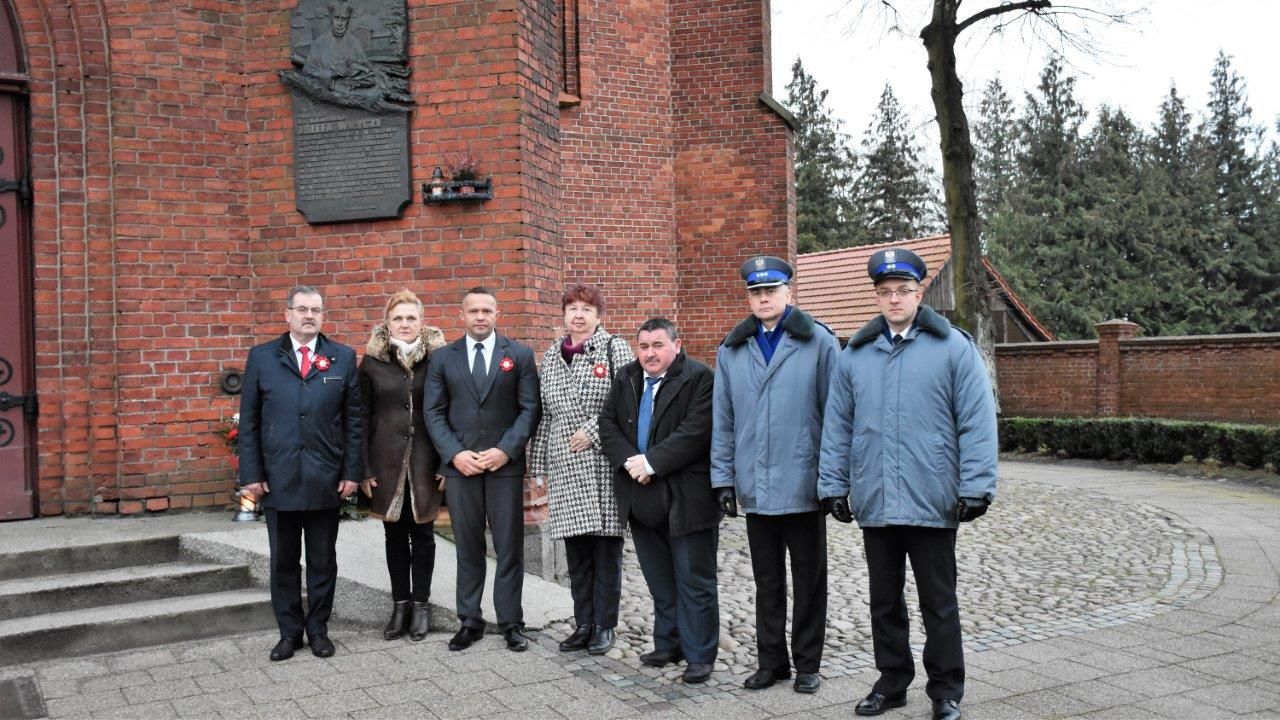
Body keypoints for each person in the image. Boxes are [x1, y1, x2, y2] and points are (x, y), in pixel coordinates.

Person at [817, 248, 998, 720]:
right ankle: (892, 681)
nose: (894, 299)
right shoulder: (854, 354)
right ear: (876, 296)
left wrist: (977, 485)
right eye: (885, 292)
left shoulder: (953, 347)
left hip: (932, 496)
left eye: (903, 291)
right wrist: (833, 484)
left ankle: (945, 690)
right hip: (875, 497)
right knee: (883, 601)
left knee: (939, 601)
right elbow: (838, 425)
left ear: (919, 293)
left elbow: (976, 421)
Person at [711, 256, 839, 694]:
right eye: (755, 292)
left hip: (804, 481)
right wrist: (723, 480)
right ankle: (772, 662)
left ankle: (807, 663)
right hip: (756, 484)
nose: (763, 298)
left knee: (809, 579)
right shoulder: (731, 349)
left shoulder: (819, 342)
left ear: (789, 293)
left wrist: (834, 480)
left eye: (772, 290)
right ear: (748, 297)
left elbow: (837, 417)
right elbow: (723, 421)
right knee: (767, 581)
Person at [237, 285, 363, 662]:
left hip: (326, 477)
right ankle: (289, 633)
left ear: (324, 316)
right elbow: (250, 422)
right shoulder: (262, 358)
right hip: (279, 477)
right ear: (287, 314)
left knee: (323, 560)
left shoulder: (342, 357)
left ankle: (319, 630)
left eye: (317, 310)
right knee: (283, 561)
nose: (310, 315)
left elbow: (354, 422)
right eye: (302, 309)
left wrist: (352, 471)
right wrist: (252, 474)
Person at [598, 318, 720, 684]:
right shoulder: (626, 378)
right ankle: (669, 643)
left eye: (657, 345)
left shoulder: (700, 379)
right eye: (644, 346)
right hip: (641, 494)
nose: (650, 353)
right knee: (660, 580)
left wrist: (651, 462)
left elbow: (696, 431)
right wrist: (632, 463)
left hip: (687, 498)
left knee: (694, 580)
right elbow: (608, 425)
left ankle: (700, 655)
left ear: (676, 345)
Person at [424, 287, 540, 652]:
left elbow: (529, 408)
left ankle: (511, 622)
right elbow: (433, 411)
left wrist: (506, 451)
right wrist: (454, 454)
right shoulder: (443, 358)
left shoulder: (518, 355)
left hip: (503, 467)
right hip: (461, 469)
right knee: (467, 546)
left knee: (509, 547)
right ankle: (469, 620)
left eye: (486, 310)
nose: (479, 316)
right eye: (473, 310)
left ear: (496, 313)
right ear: (462, 314)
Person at [529, 284, 635, 656]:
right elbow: (545, 415)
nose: (578, 314)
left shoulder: (613, 348)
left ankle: (605, 625)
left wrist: (592, 432)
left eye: (586, 309)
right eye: (571, 308)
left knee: (606, 549)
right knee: (577, 552)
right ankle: (583, 623)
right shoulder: (552, 356)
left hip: (602, 462)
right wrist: (537, 466)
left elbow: (625, 402)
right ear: (563, 315)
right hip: (565, 464)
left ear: (598, 315)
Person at [358, 290, 447, 641]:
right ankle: (400, 606)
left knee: (423, 533)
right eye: (398, 318)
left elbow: (450, 412)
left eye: (411, 318)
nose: (405, 324)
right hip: (386, 460)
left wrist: (447, 462)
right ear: (387, 323)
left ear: (421, 322)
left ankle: (421, 605)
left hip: (426, 459)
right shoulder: (372, 362)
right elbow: (361, 416)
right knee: (393, 533)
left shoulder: (439, 359)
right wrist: (363, 467)